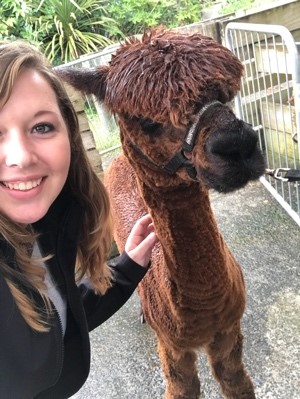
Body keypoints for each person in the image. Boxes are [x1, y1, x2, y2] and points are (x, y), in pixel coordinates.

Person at [0, 40, 157, 399]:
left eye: (41, 127)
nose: (20, 157)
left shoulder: (48, 225)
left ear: (69, 134)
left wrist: (129, 267)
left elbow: (55, 321)